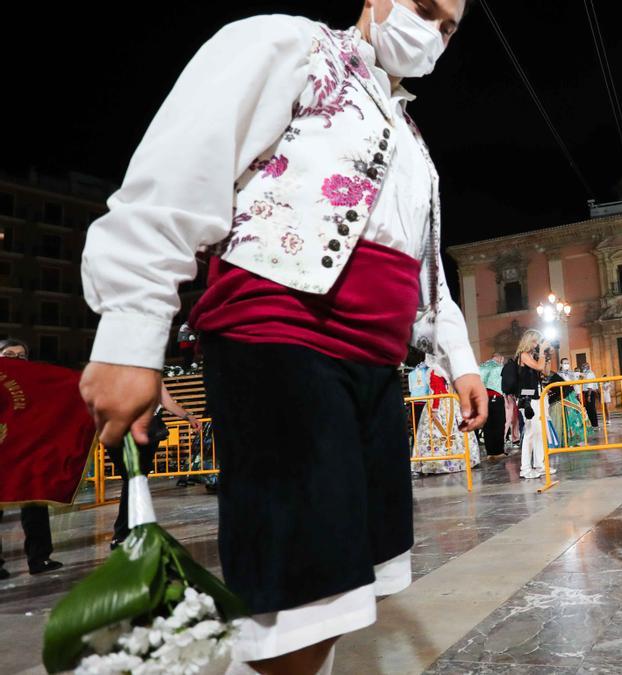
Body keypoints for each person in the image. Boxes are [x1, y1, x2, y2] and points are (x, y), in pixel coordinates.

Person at [77, 2, 485, 672]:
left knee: (345, 591)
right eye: (424, 9)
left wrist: (459, 357)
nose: (434, 34)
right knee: (298, 601)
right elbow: (183, 167)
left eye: (448, 29)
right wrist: (131, 329)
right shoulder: (291, 47)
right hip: (283, 340)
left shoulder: (413, 142)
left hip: (373, 369)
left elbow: (421, 267)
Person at [107, 382, 203, 548]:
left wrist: (188, 416)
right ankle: (125, 532)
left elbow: (168, 403)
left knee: (134, 482)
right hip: (124, 432)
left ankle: (127, 532)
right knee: (134, 482)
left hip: (144, 432)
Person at [0, 339, 65, 577]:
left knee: (35, 507)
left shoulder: (37, 384)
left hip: (29, 454)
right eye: (8, 354)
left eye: (20, 356)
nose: (15, 360)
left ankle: (40, 558)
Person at [413, 367, 478, 474]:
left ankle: (437, 462)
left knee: (435, 432)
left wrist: (434, 409)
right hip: (452, 401)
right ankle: (460, 460)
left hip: (440, 405)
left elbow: (437, 392)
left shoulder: (434, 371)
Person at [516, 330, 555, 479]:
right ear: (529, 341)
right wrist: (543, 353)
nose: (538, 344)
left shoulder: (534, 356)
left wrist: (547, 356)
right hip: (528, 399)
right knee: (531, 432)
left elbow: (544, 372)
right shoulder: (523, 356)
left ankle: (540, 465)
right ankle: (525, 469)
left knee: (540, 432)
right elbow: (538, 367)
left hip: (538, 395)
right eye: (536, 341)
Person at [478, 353, 507, 457]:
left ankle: (490, 452)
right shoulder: (499, 367)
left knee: (487, 426)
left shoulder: (481, 366)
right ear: (500, 358)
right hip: (496, 397)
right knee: (499, 424)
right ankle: (498, 451)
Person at [579, 362, 599, 428]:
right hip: (587, 392)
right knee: (588, 409)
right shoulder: (586, 373)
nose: (583, 368)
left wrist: (589, 395)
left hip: (589, 392)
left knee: (591, 409)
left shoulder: (589, 373)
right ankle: (592, 424)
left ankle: (594, 424)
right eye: (582, 366)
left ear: (588, 366)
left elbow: (590, 385)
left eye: (584, 366)